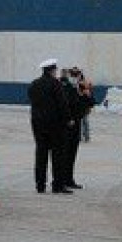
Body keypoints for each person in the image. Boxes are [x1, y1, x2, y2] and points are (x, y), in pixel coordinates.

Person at [28, 57, 73, 194]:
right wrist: (69, 119)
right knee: (57, 155)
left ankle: (40, 185)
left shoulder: (34, 84)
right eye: (55, 70)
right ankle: (57, 185)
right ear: (52, 70)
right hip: (55, 125)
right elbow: (62, 104)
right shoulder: (56, 84)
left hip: (38, 124)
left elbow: (32, 101)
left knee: (40, 154)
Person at [59, 67, 96, 189]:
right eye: (74, 76)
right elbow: (67, 105)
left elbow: (91, 102)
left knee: (72, 154)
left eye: (78, 76)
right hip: (66, 125)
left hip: (77, 124)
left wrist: (86, 93)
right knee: (65, 154)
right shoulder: (65, 88)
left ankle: (69, 179)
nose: (76, 78)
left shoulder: (81, 88)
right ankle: (62, 180)